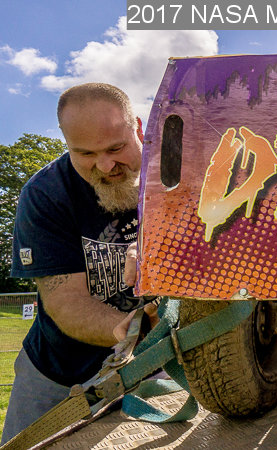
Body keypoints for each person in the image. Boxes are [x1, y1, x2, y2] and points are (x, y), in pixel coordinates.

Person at [1, 83, 158, 445]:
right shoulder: (44, 195)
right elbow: (65, 301)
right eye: (85, 153)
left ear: (138, 127)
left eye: (115, 148)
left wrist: (156, 249)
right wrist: (129, 329)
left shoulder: (179, 176)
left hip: (154, 365)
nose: (105, 166)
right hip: (56, 373)